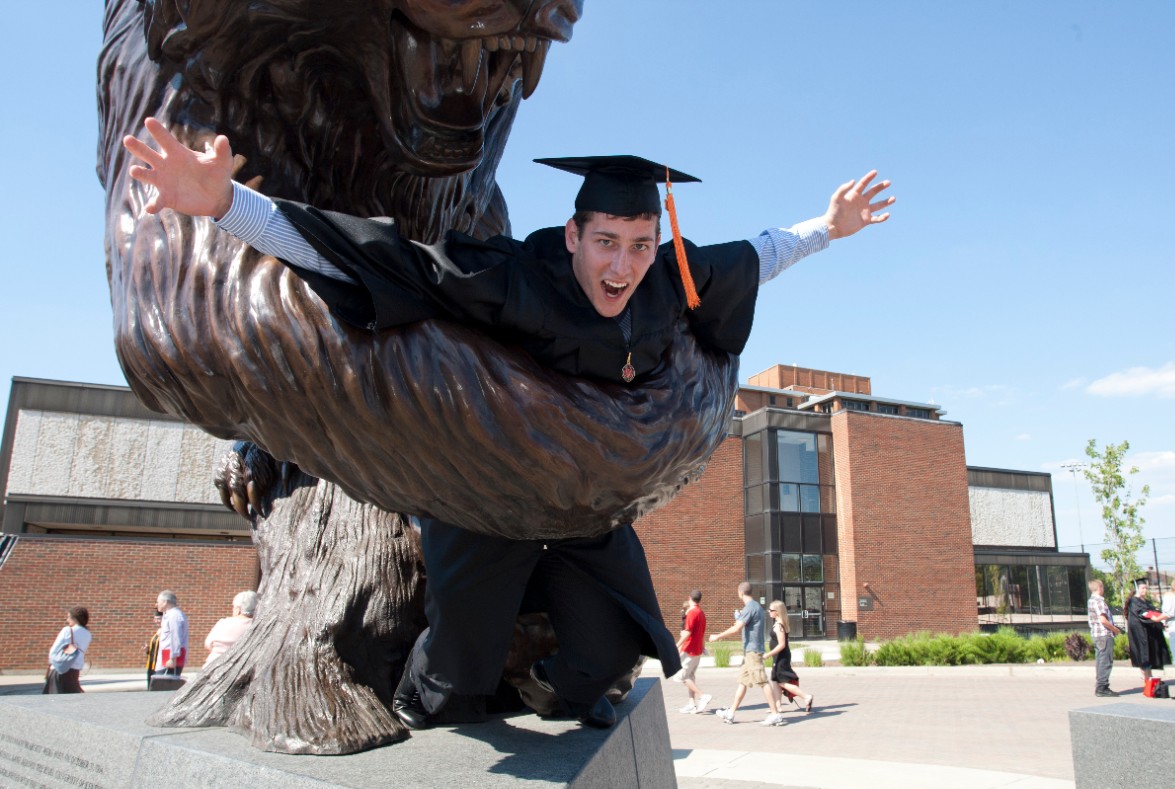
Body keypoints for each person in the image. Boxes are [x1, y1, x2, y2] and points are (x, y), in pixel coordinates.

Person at [123, 118, 894, 730]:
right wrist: (229, 204)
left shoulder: (672, 279)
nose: (621, 269)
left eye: (638, 245)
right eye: (604, 244)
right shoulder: (516, 278)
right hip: (488, 499)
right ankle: (423, 696)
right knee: (458, 674)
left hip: (585, 505)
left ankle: (549, 693)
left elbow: (764, 252)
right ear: (573, 237)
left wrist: (829, 224)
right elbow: (377, 260)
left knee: (611, 654)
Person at [709, 583, 784, 726]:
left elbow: (736, 628)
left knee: (762, 681)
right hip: (750, 650)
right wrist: (739, 617)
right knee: (743, 682)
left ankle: (775, 714)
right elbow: (745, 624)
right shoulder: (755, 607)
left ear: (740, 592)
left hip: (753, 651)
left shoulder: (750, 607)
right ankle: (731, 713)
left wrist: (717, 636)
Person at [762, 600, 814, 713]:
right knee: (775, 681)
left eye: (771, 610)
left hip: (781, 657)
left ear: (777, 612)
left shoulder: (779, 626)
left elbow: (782, 644)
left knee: (782, 682)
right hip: (778, 657)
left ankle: (806, 697)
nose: (769, 612)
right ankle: (777, 706)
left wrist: (768, 654)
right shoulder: (778, 623)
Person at [1125, 580, 1171, 695]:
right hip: (1140, 636)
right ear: (1137, 588)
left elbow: (1152, 612)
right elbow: (1143, 614)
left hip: (1149, 634)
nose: (1145, 590)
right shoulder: (1134, 602)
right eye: (1142, 588)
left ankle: (1149, 681)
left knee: (1149, 657)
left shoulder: (1146, 601)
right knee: (1143, 657)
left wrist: (1160, 620)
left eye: (1146, 588)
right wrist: (1154, 616)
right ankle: (1147, 682)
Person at [673, 589, 711, 714]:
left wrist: (676, 645)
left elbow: (687, 633)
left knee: (681, 677)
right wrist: (703, 647)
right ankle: (692, 704)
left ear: (689, 598)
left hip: (689, 649)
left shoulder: (692, 613)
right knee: (690, 677)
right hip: (697, 649)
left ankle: (702, 696)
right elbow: (702, 633)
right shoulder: (701, 613)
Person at [1086, 579, 1122, 697]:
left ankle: (1100, 685)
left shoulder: (1091, 601)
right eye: (1103, 587)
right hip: (1104, 634)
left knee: (1100, 660)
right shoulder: (1099, 601)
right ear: (1100, 587)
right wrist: (1115, 629)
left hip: (1096, 635)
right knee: (1106, 660)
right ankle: (1102, 687)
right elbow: (1103, 620)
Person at [43, 607, 92, 694]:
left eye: (69, 617)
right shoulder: (88, 634)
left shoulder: (67, 630)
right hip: (75, 672)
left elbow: (53, 652)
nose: (67, 620)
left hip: (60, 670)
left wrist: (51, 663)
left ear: (75, 618)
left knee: (53, 701)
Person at [204, 590, 258, 665]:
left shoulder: (222, 623)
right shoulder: (257, 626)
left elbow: (208, 644)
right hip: (240, 668)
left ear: (238, 609)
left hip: (212, 666)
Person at [155, 590, 189, 676]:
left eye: (158, 602)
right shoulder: (169, 615)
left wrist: (172, 658)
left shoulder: (174, 616)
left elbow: (176, 637)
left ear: (165, 602)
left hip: (170, 658)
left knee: (165, 686)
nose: (156, 604)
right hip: (166, 656)